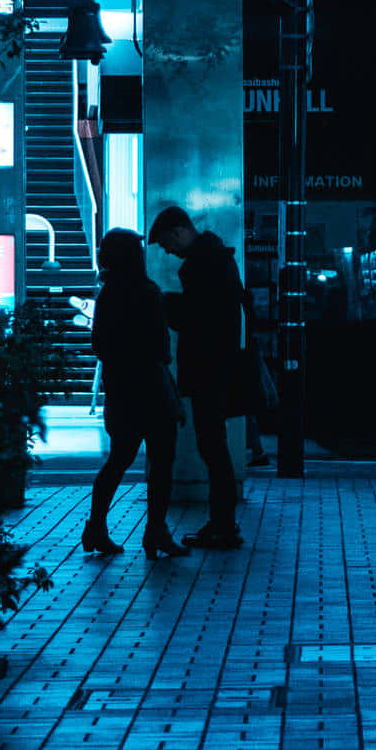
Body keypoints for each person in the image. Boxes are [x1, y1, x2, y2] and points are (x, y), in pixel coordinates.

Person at [83, 228, 188, 561]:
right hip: (152, 389)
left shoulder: (107, 294)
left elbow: (98, 344)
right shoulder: (147, 292)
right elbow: (162, 349)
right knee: (161, 462)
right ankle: (156, 530)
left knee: (119, 460)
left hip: (121, 390)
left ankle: (96, 526)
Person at [147, 204, 245, 549]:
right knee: (214, 446)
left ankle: (223, 526)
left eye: (165, 243)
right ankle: (223, 524)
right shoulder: (218, 258)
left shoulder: (204, 264)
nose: (167, 251)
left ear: (178, 231)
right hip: (219, 365)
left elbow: (197, 319)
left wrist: (165, 304)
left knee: (212, 447)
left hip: (209, 368)